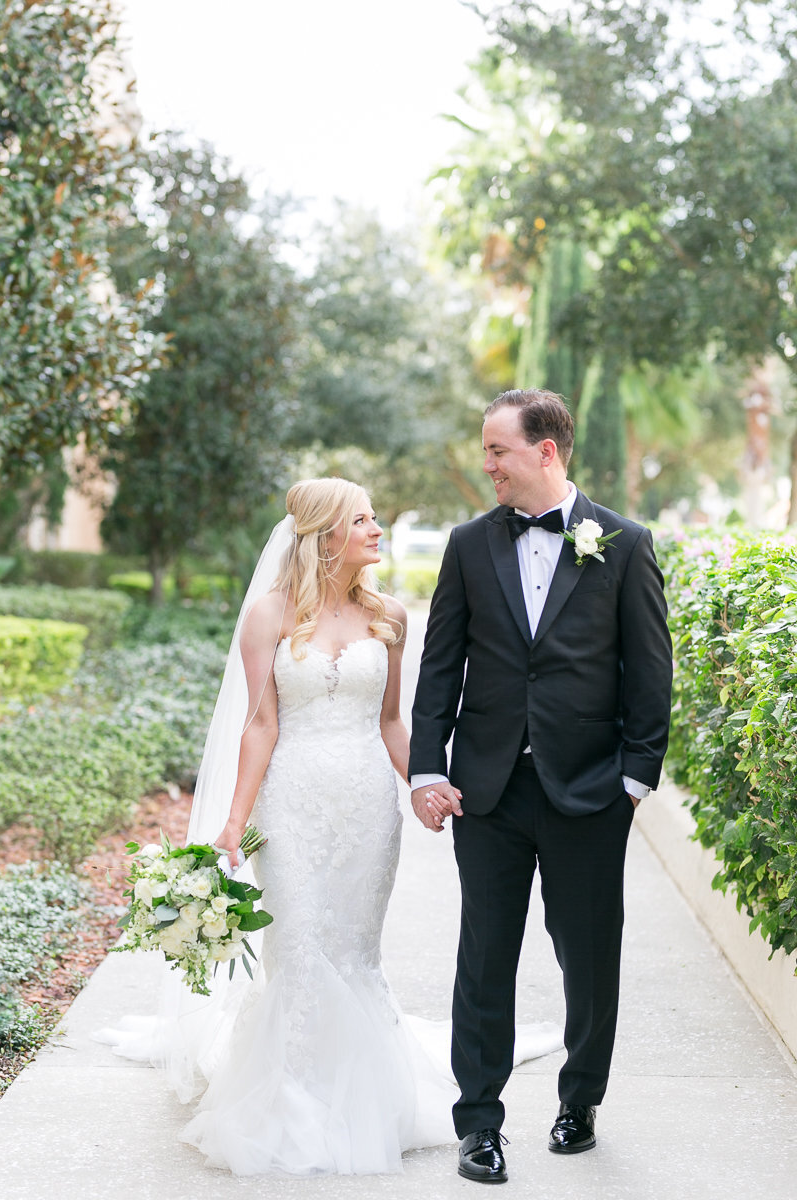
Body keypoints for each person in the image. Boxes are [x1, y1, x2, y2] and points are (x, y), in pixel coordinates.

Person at [97, 475, 563, 1177]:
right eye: (363, 520)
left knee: (353, 950)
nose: (377, 529)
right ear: (325, 535)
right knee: (298, 947)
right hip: (290, 805)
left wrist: (428, 783)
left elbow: (391, 722)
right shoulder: (269, 615)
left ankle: (360, 1099)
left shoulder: (389, 616)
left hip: (368, 808)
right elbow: (261, 725)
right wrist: (232, 824)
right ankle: (288, 1100)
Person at [408, 389, 673, 1184]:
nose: (487, 465)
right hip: (485, 791)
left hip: (590, 791)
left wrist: (633, 781)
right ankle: (478, 1125)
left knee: (587, 958)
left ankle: (579, 1100)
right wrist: (428, 767)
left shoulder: (624, 543)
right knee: (484, 956)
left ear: (545, 451)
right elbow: (440, 665)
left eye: (498, 451)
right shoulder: (467, 544)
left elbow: (650, 672)